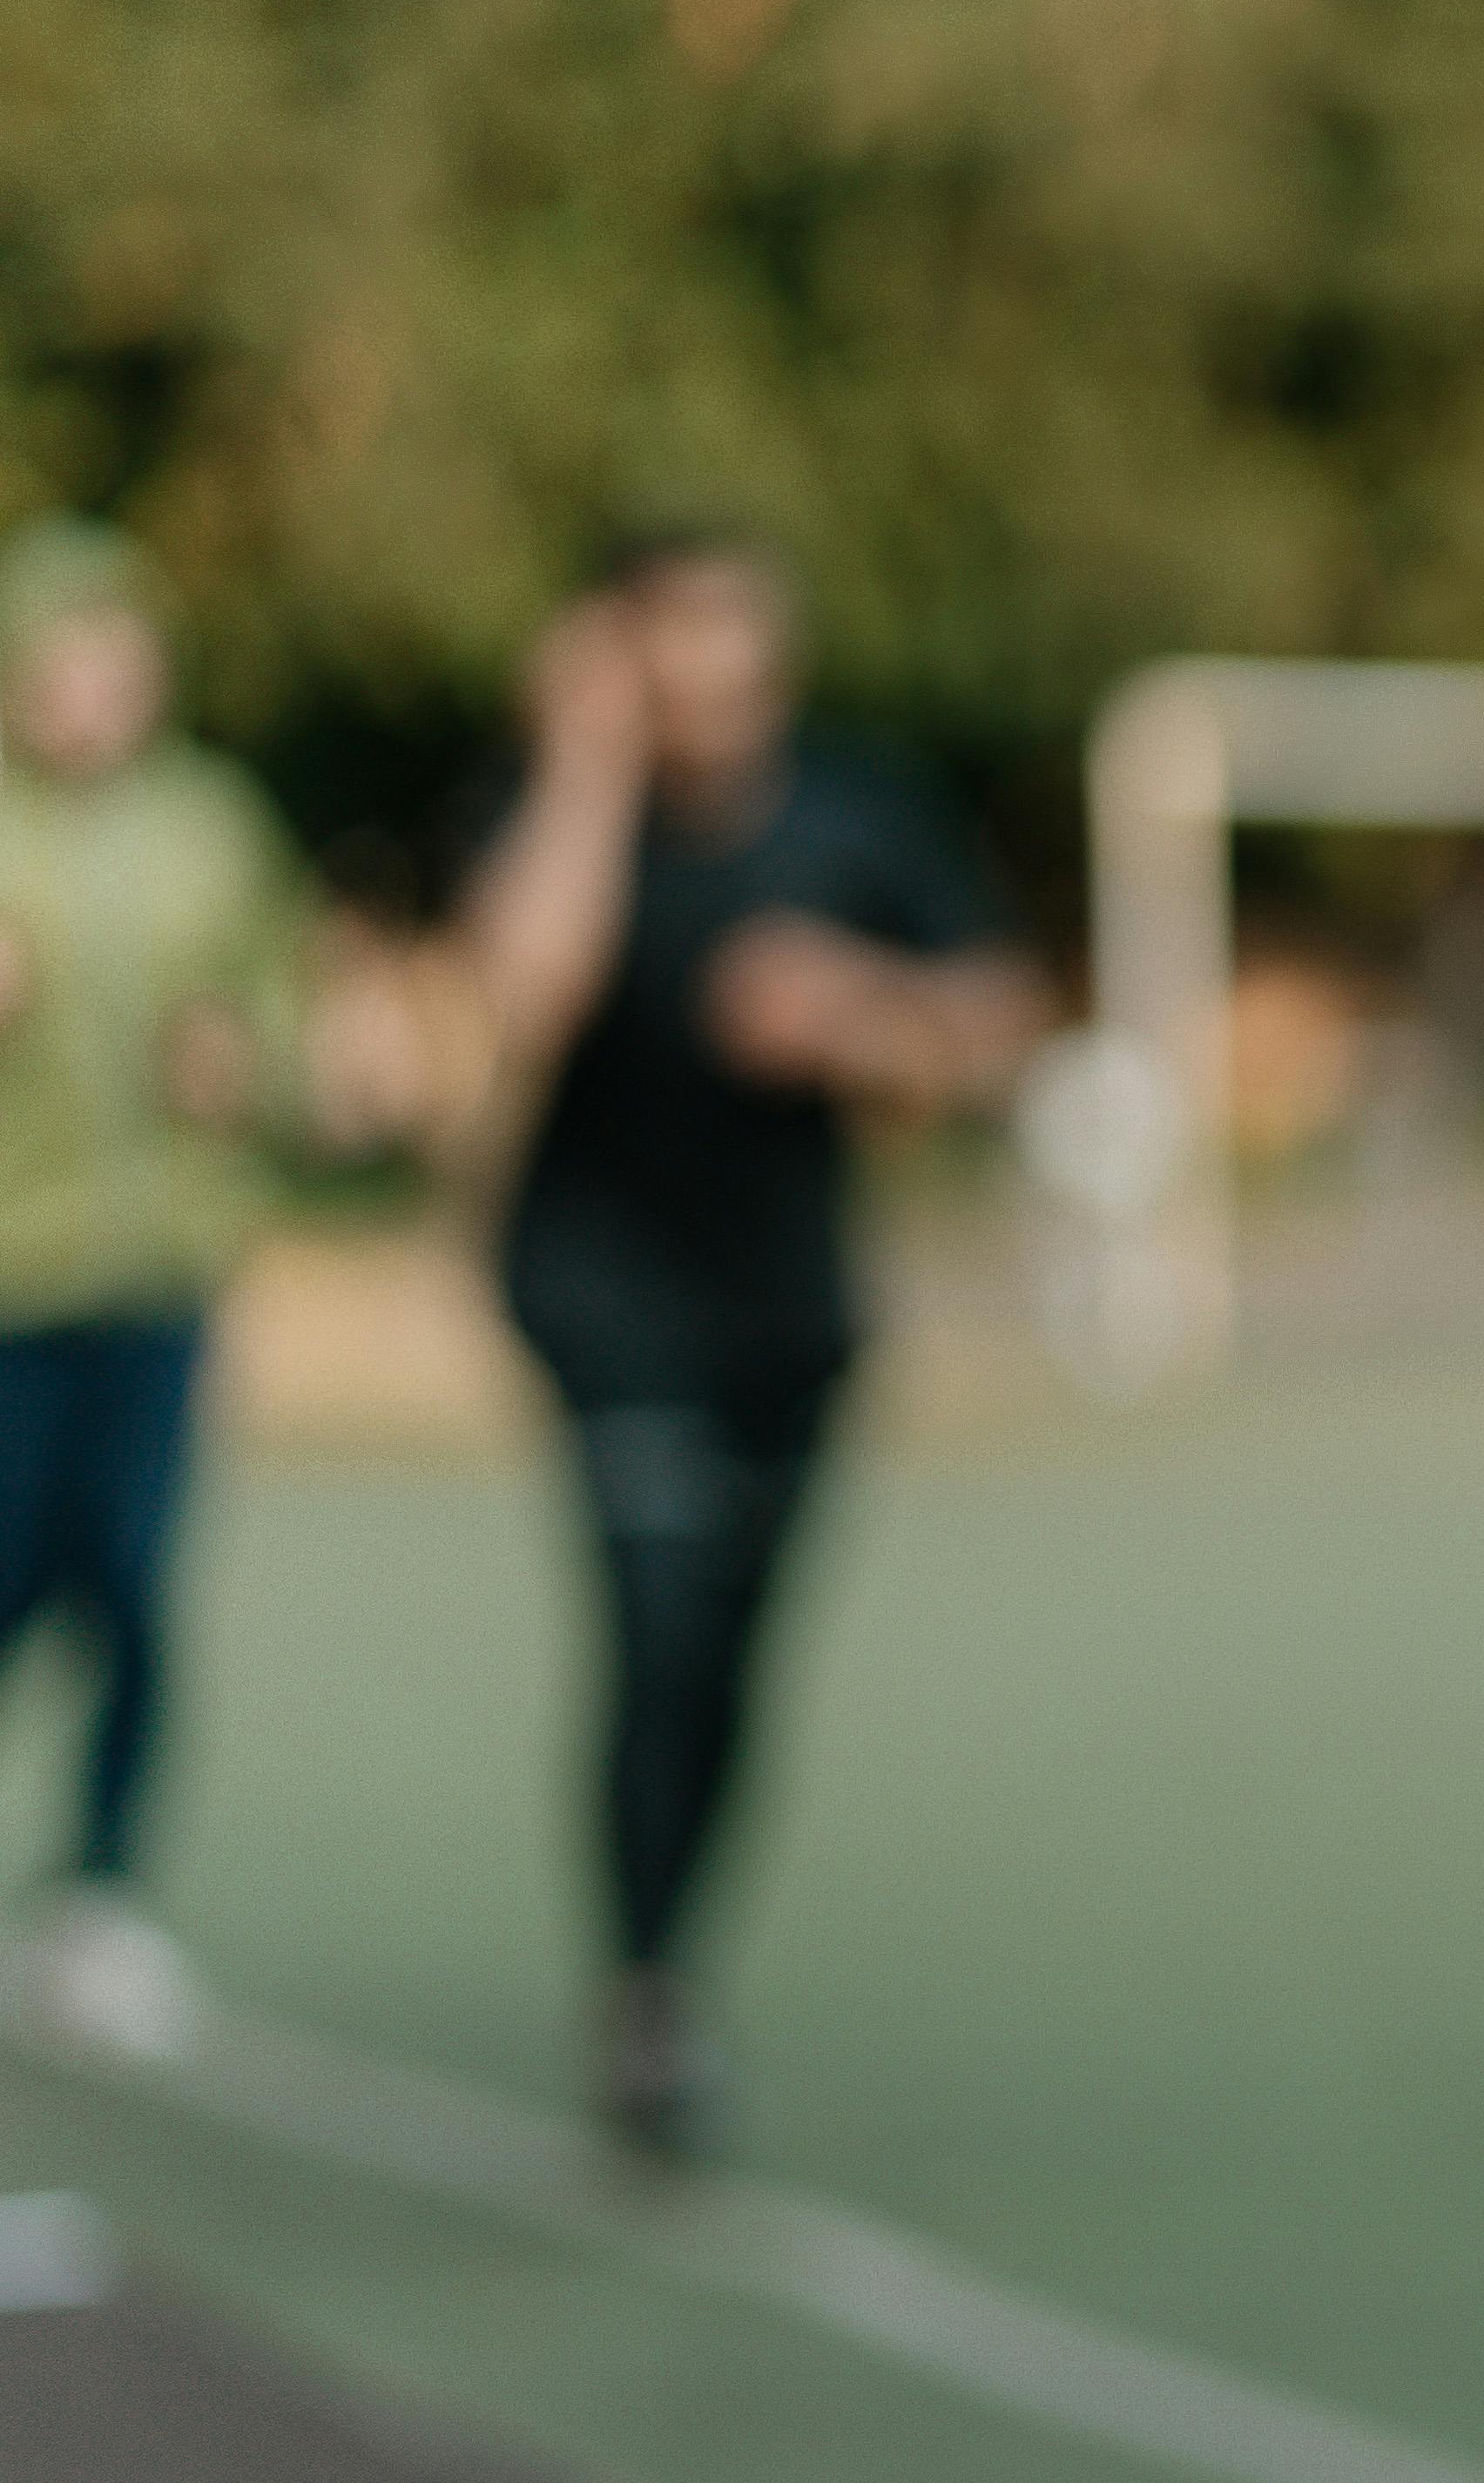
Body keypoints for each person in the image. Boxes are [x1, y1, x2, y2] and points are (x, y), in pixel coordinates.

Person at [460, 533, 1039, 2154]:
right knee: (652, 1627)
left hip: (788, 1310)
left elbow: (1003, 1019)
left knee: (728, 1660)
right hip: (599, 1294)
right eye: (668, 650)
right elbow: (521, 993)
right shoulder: (564, 811)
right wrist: (582, 764)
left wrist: (866, 1014)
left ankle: (673, 1950)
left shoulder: (860, 814)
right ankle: (644, 1996)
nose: (708, 682)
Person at [0, 524, 317, 2067]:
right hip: (9, 1278)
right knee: (11, 1574)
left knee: (132, 1579)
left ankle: (105, 1892)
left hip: (164, 1274)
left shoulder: (212, 826)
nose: (87, 690)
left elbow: (284, 1029)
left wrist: (247, 1071)